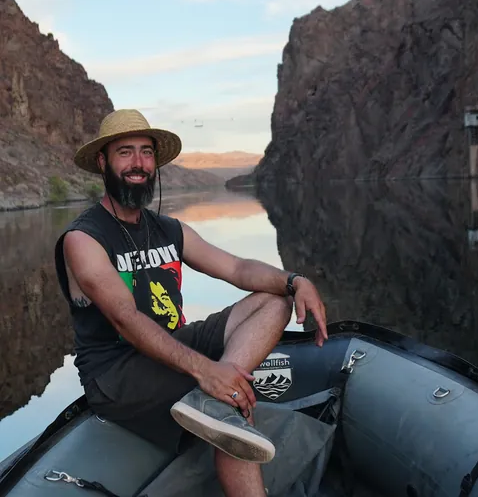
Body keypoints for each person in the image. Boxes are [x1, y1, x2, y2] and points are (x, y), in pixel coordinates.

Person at [54, 109, 328, 497]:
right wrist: (206, 371)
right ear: (103, 162)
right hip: (118, 372)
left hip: (173, 343)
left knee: (273, 301)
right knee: (233, 407)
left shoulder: (169, 229)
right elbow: (125, 318)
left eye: (146, 152)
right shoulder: (83, 238)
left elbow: (237, 267)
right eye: (125, 152)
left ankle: (210, 402)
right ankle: (219, 403)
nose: (138, 163)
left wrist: (295, 281)